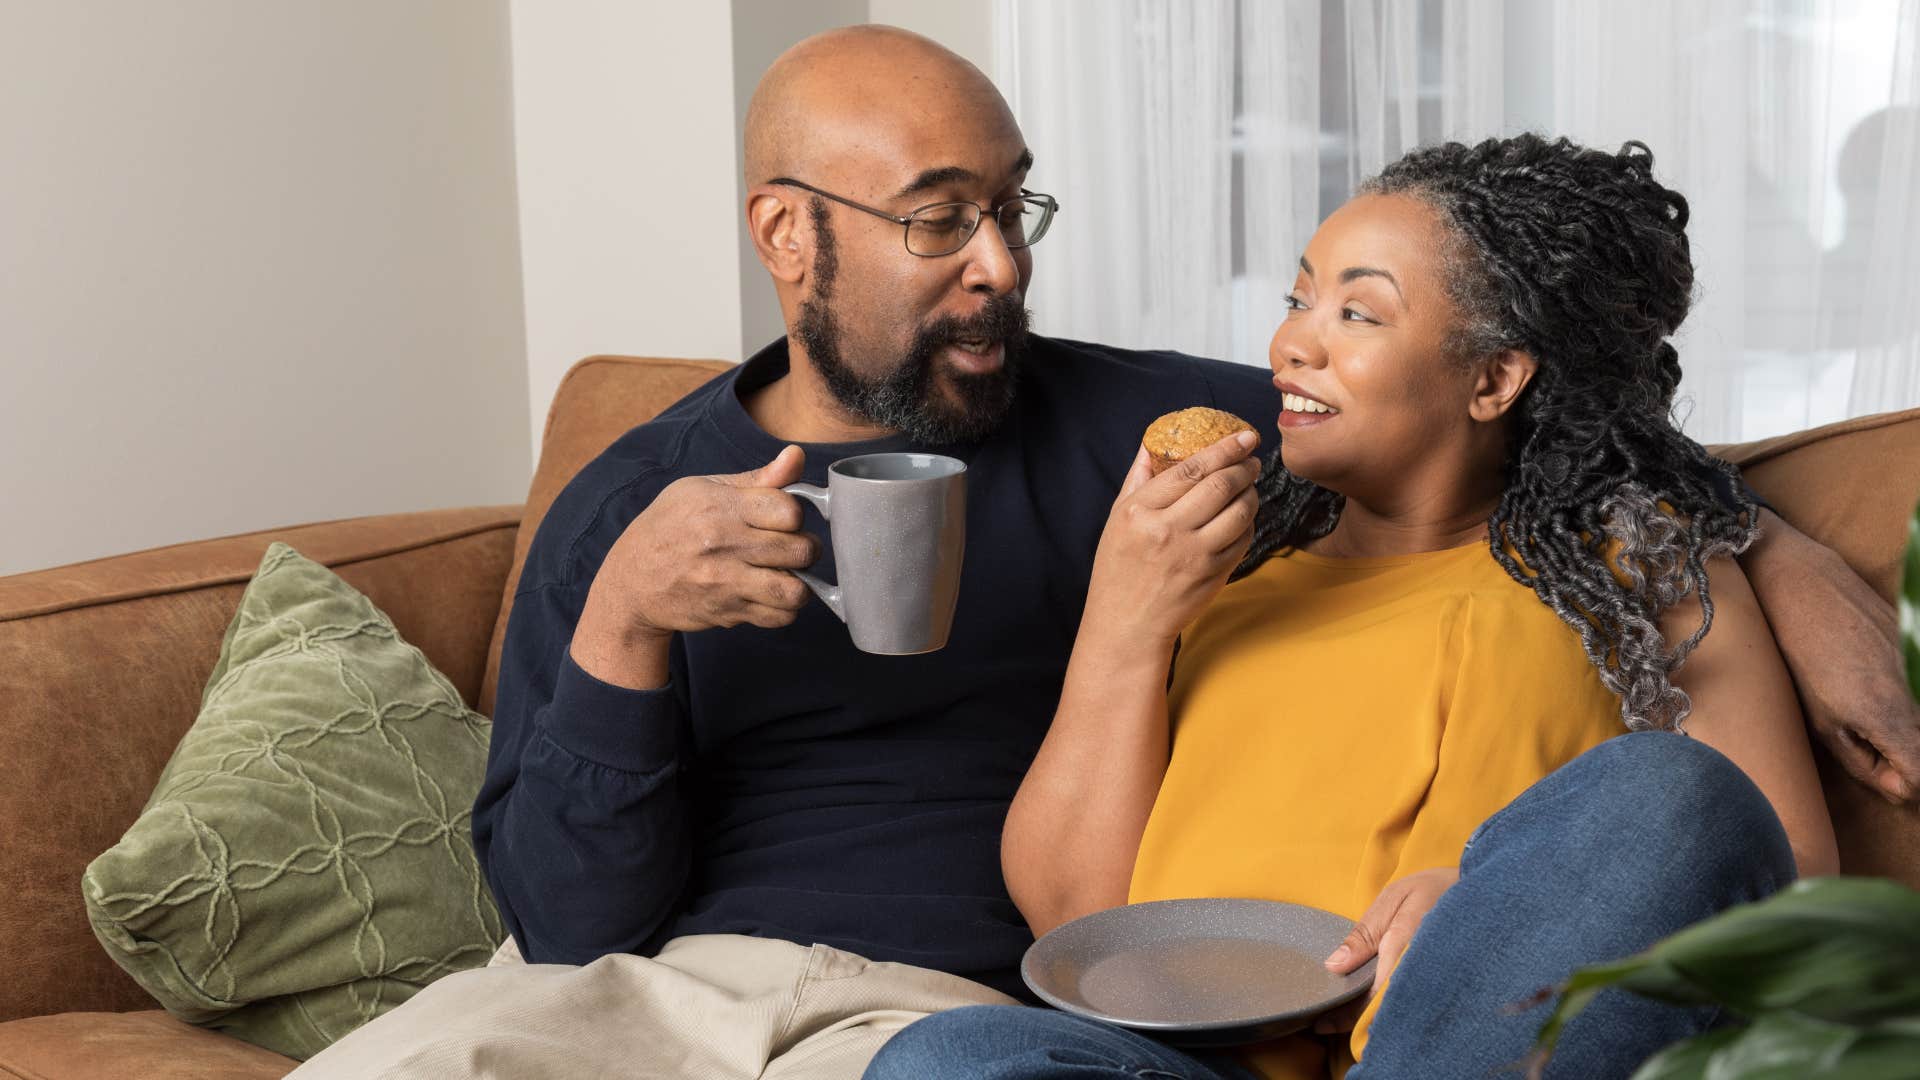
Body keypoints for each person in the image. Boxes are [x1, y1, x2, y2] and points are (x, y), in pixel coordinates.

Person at [291, 27, 1909, 1080]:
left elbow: (1523, 427)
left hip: (959, 1000)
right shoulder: (632, 510)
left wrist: (1778, 550)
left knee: (942, 1059)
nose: (1000, 265)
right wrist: (626, 628)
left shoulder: (1175, 442)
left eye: (1015, 210)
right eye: (941, 218)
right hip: (693, 993)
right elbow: (567, 924)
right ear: (790, 235)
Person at [863, 136, 1839, 1080]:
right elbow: (1075, 920)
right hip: (1202, 1064)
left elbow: (1772, 867)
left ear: (1494, 378)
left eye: (1357, 314)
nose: (1292, 343)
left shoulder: (1637, 563)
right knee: (942, 1059)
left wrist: (1487, 908)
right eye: (1299, 300)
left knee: (1675, 789)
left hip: (1475, 1044)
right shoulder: (1223, 572)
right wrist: (1127, 617)